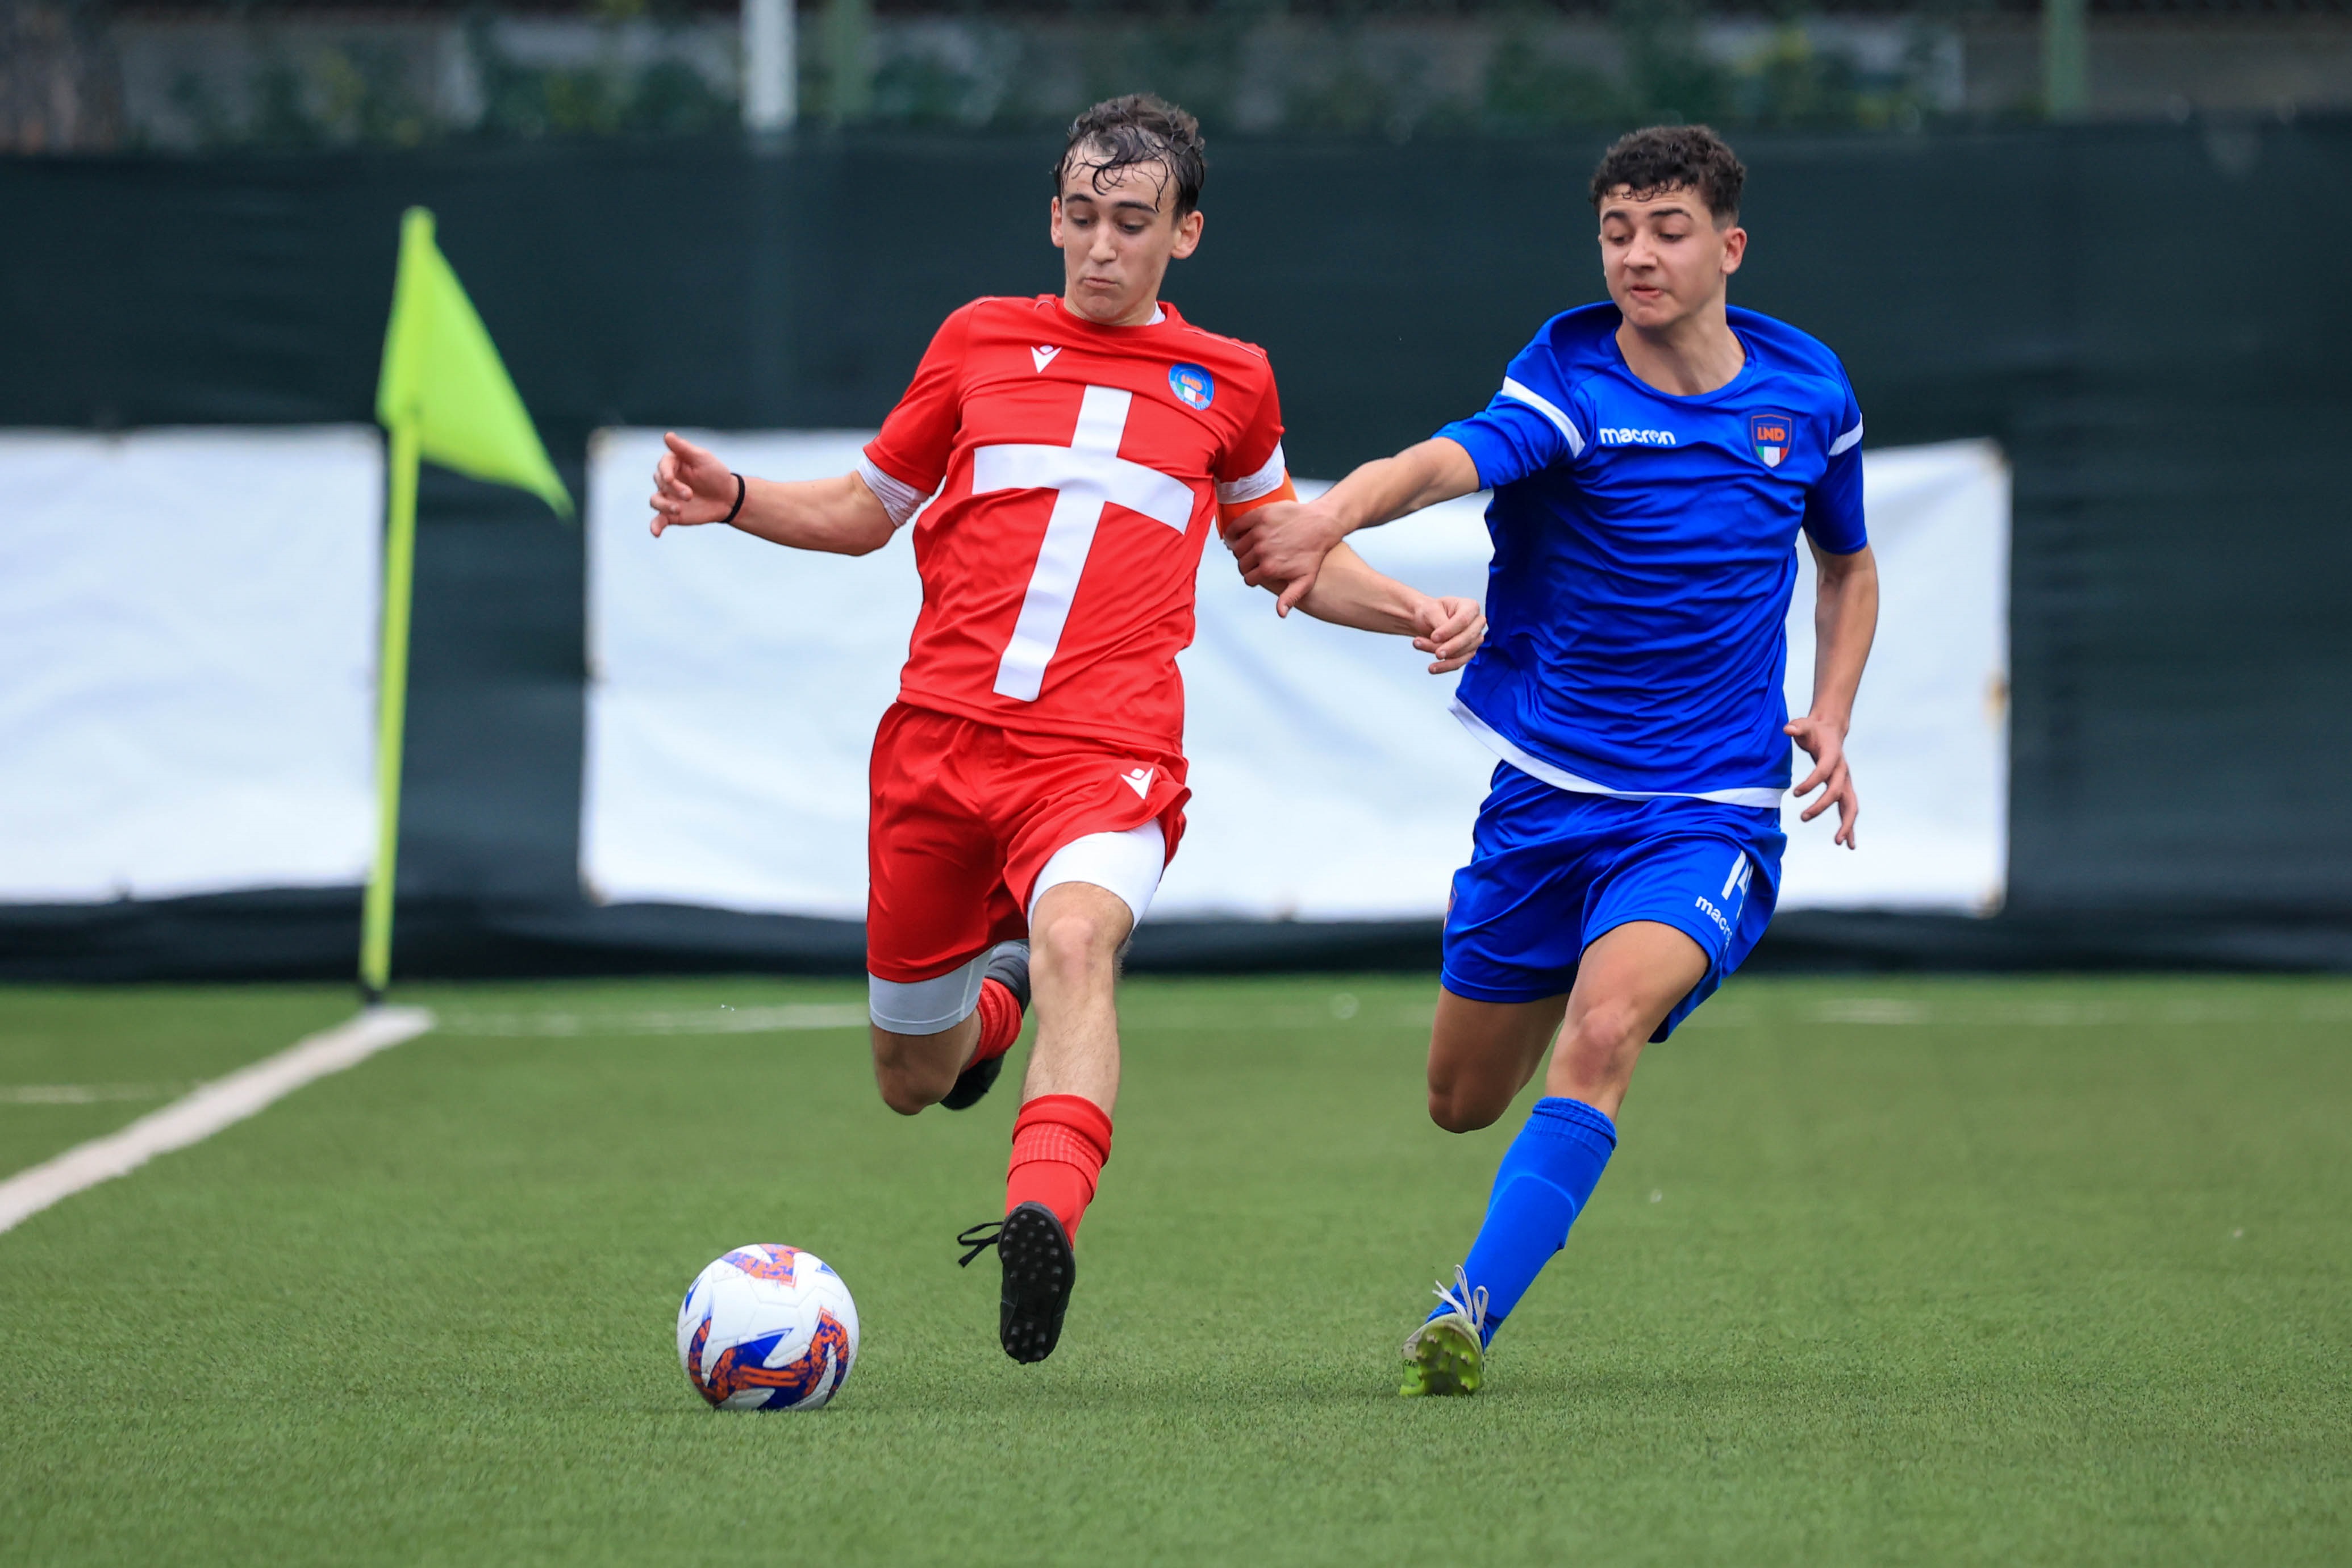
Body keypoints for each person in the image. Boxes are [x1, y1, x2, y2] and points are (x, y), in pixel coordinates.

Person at [647, 94, 1486, 1366]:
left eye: (1133, 223)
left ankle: (1042, 1222)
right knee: (908, 1074)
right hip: (935, 744)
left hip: (1106, 750)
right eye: (1083, 218)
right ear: (1054, 215)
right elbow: (870, 509)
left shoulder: (1233, 380)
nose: (1101, 247)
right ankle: (992, 1006)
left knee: (1082, 941)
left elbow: (1281, 554)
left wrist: (1414, 606)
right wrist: (738, 499)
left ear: (1185, 234)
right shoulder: (977, 340)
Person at [1228, 123, 1880, 1396]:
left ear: (1729, 246)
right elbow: (1437, 463)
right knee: (1462, 1101)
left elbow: (1848, 563)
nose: (1638, 255)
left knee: (1602, 1031)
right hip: (1548, 802)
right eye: (1617, 231)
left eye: (1669, 230)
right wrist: (1326, 518)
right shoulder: (1569, 382)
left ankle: (1466, 1314)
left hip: (1709, 810)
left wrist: (1834, 710)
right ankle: (1576, 1036)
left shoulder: (1810, 393)